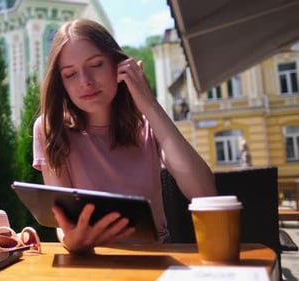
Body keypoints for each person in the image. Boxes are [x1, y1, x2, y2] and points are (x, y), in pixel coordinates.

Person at [32, 19, 217, 255]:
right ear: (62, 84)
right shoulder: (50, 128)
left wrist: (149, 105)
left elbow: (204, 192)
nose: (85, 81)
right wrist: (72, 241)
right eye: (70, 74)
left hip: (154, 258)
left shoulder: (147, 123)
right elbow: (64, 223)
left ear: (118, 64)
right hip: (91, 262)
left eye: (96, 64)